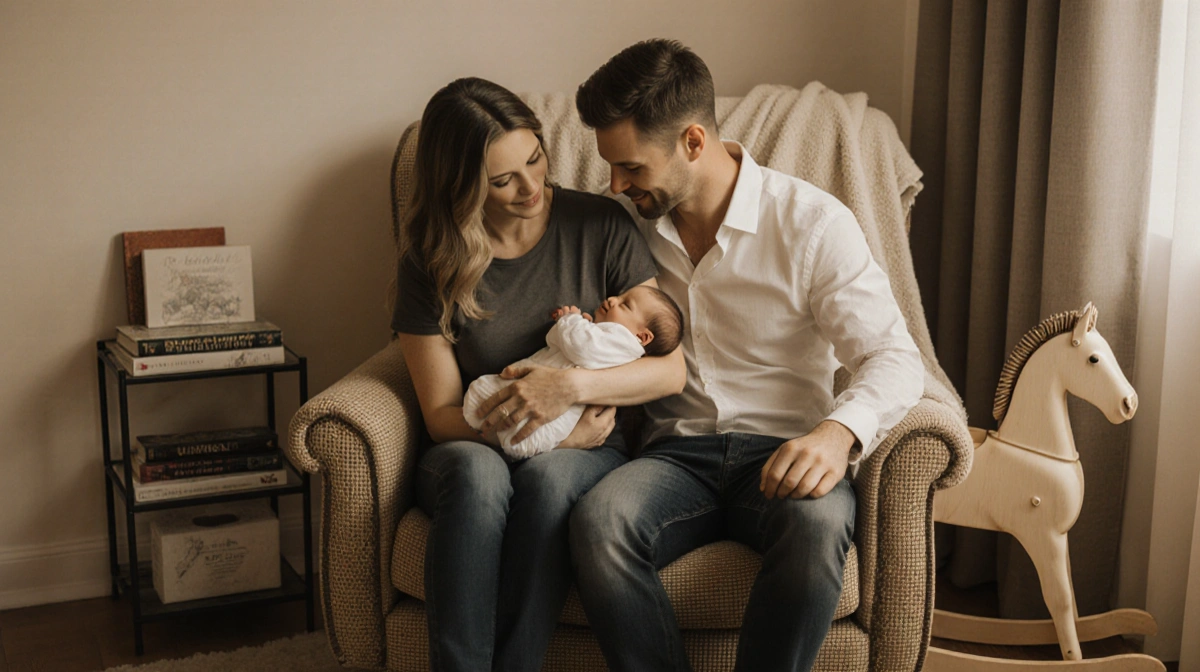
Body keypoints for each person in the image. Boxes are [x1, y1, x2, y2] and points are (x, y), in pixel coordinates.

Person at [483, 40, 925, 671]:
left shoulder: (812, 224)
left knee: (819, 528)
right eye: (611, 167)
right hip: (672, 458)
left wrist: (836, 434)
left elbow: (893, 355)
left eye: (631, 167)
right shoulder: (623, 230)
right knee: (600, 522)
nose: (614, 184)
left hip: (784, 450)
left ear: (693, 142)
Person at [391, 77, 686, 672]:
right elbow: (443, 414)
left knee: (551, 482)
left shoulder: (600, 224)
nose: (531, 187)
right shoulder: (430, 262)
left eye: (535, 160)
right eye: (502, 181)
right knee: (477, 478)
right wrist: (524, 438)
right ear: (462, 186)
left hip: (585, 441)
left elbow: (668, 367)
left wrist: (570, 396)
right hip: (471, 439)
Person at [464, 285, 684, 459]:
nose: (612, 299)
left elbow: (582, 348)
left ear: (642, 337)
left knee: (528, 435)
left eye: (625, 305)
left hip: (563, 413)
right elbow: (556, 343)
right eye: (619, 296)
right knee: (485, 400)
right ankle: (502, 437)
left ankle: (512, 444)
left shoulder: (623, 344)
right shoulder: (602, 335)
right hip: (536, 385)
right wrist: (570, 327)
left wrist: (570, 320)